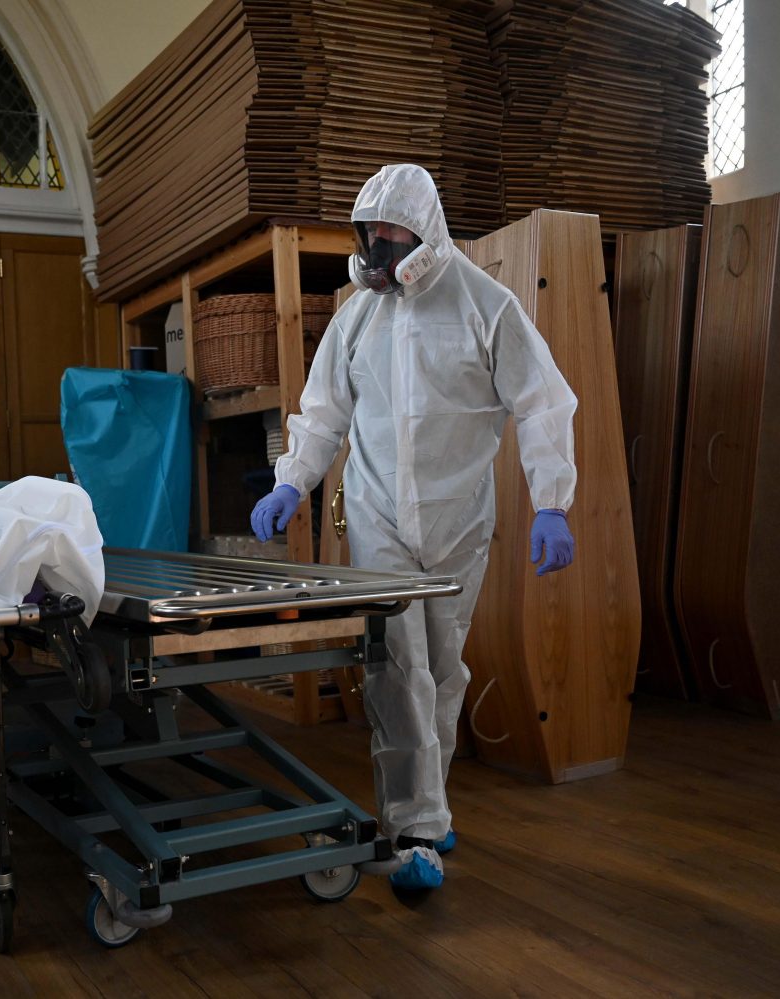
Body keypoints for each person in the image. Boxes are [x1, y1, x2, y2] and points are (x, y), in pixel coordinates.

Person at [249, 164, 577, 891]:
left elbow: (542, 401)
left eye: (392, 234)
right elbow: (323, 410)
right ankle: (416, 828)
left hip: (459, 517)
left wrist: (552, 500)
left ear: (425, 230)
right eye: (369, 236)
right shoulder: (358, 316)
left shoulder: (485, 306)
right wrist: (292, 481)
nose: (380, 250)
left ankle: (429, 795)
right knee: (398, 667)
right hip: (376, 515)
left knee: (444, 665)